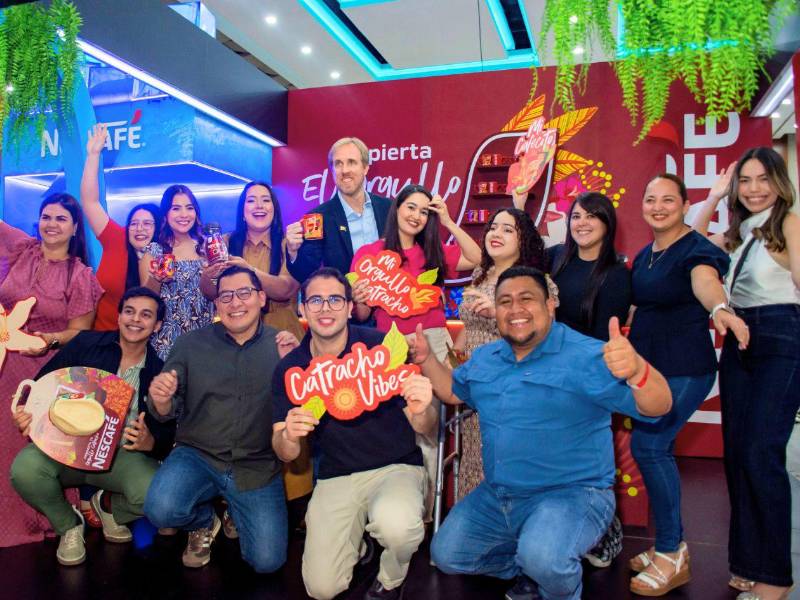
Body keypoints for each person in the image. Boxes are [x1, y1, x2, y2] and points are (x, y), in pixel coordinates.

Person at [412, 266, 672, 600]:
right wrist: (426, 360)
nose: (515, 309)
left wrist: (638, 371)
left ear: (550, 304)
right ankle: (529, 568)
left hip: (572, 494)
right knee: (448, 554)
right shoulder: (487, 358)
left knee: (545, 558)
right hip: (500, 495)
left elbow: (659, 406)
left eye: (527, 298)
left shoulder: (587, 355)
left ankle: (551, 575)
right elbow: (453, 391)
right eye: (505, 301)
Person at [272, 267, 437, 600]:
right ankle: (358, 545)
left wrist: (423, 409)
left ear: (350, 307)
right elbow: (284, 452)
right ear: (302, 308)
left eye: (335, 299)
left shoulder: (382, 346)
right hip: (337, 475)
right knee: (322, 588)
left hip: (396, 466)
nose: (325, 308)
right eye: (315, 300)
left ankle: (390, 579)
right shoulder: (291, 369)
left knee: (398, 528)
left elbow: (426, 426)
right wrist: (288, 435)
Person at [627, 173, 749, 596]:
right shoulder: (647, 255)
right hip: (649, 370)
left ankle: (672, 551)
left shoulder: (697, 250)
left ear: (683, 205)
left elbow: (704, 281)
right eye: (650, 199)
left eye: (668, 200)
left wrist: (719, 309)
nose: (658, 207)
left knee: (650, 447)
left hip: (684, 369)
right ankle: (668, 544)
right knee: (651, 448)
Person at [693, 147, 799, 600]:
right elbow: (693, 243)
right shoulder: (739, 232)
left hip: (782, 334)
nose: (754, 189)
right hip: (738, 338)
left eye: (763, 179)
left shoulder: (789, 223)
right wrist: (715, 195)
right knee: (737, 454)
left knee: (761, 453)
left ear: (779, 182)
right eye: (746, 180)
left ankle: (775, 578)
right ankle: (746, 564)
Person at [144, 265, 296, 572]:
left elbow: (303, 408)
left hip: (256, 464)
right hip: (198, 455)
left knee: (267, 562)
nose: (235, 302)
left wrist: (294, 368)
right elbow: (166, 407)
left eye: (244, 293)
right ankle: (203, 521)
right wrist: (160, 399)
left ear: (262, 299)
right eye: (226, 296)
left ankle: (236, 510)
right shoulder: (190, 344)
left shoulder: (283, 346)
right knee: (160, 510)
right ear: (217, 304)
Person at [9, 287, 174, 565]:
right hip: (65, 446)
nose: (135, 319)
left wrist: (152, 442)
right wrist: (26, 414)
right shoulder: (86, 343)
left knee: (163, 498)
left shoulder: (160, 371)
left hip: (121, 457)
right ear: (119, 316)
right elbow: (39, 387)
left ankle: (109, 507)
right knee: (24, 470)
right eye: (129, 311)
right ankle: (68, 526)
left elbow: (168, 433)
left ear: (157, 325)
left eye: (146, 315)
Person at [351, 183, 480, 514]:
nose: (417, 216)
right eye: (411, 207)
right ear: (397, 208)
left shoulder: (434, 251)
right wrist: (359, 298)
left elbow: (478, 258)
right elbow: (363, 315)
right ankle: (389, 505)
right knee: (390, 423)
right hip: (388, 344)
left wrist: (447, 221)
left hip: (433, 341)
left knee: (427, 425)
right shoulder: (369, 254)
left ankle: (423, 512)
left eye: (424, 211)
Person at [200, 180, 310, 525]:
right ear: (242, 208)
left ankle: (295, 502)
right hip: (235, 344)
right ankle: (237, 500)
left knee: (288, 417)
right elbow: (208, 291)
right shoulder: (224, 242)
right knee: (242, 418)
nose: (259, 206)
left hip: (282, 342)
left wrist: (247, 271)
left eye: (266, 200)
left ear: (275, 208)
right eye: (251, 201)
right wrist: (211, 274)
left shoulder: (288, 243)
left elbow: (286, 288)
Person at [0, 195, 103, 547]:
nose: (52, 224)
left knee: (34, 449)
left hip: (46, 373)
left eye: (61, 219)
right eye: (46, 217)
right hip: (5, 367)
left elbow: (81, 332)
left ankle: (51, 520)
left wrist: (49, 340)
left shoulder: (80, 275)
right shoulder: (22, 251)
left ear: (75, 228)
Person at [548, 192, 632, 568]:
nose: (581, 223)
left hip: (588, 378)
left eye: (591, 216)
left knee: (585, 463)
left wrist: (573, 376)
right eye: (576, 216)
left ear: (607, 223)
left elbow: (602, 340)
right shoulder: (555, 259)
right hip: (549, 374)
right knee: (553, 462)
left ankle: (606, 529)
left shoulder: (616, 274)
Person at [452, 207, 546, 501]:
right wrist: (455, 354)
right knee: (473, 457)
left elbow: (544, 329)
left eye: (508, 229)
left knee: (505, 460)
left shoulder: (532, 281)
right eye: (493, 227)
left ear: (523, 239)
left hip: (510, 384)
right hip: (473, 383)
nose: (496, 234)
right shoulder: (480, 274)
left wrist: (498, 313)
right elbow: (470, 324)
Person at [80, 123, 162, 330]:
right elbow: (90, 201)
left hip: (147, 340)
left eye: (147, 224)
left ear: (158, 228)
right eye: (134, 223)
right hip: (102, 337)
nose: (139, 229)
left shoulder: (166, 253)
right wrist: (93, 155)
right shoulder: (116, 239)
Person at [286, 137, 391, 283]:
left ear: (365, 168)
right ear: (332, 170)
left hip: (389, 295)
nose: (345, 170)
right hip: (345, 297)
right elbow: (306, 274)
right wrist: (293, 252)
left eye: (351, 162)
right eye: (338, 164)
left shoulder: (389, 208)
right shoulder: (316, 218)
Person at [139, 184, 214, 360]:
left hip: (205, 341)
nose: (184, 214)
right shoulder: (154, 251)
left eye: (189, 208)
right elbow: (145, 302)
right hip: (166, 343)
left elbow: (219, 293)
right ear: (166, 215)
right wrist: (156, 278)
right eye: (176, 208)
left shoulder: (208, 247)